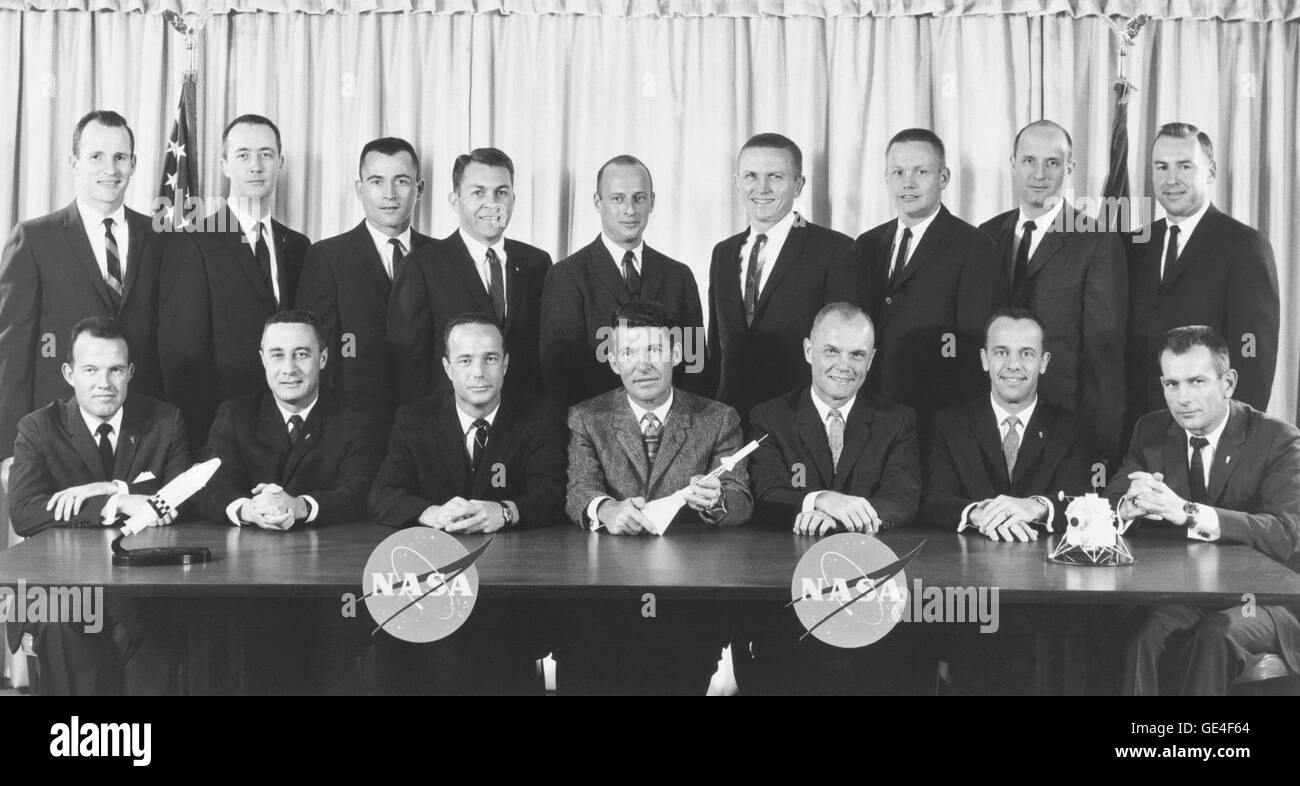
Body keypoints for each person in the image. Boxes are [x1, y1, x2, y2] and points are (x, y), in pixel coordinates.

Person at [368, 313, 565, 694]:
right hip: (433, 583)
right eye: (465, 360)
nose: (479, 372)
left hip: (509, 590)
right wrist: (432, 513)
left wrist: (505, 510)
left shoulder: (539, 416)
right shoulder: (414, 418)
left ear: (506, 364)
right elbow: (383, 494)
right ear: (447, 368)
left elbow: (552, 492)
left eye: (490, 359)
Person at [560, 300, 751, 693]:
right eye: (628, 352)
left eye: (655, 350)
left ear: (677, 354)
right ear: (613, 360)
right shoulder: (585, 417)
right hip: (605, 603)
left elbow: (741, 497)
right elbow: (579, 488)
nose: (642, 364)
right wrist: (607, 509)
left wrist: (715, 501)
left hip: (687, 608)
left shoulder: (718, 418)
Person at [1107, 325, 1300, 695]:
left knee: (1214, 636)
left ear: (1228, 383)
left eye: (1197, 382)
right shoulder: (1151, 430)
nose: (1182, 398)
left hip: (1267, 600)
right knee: (1143, 634)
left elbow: (1286, 535)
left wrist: (1190, 513)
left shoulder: (1278, 439)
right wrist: (1129, 504)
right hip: (1191, 595)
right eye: (1172, 384)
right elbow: (1113, 495)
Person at [7, 317, 187, 694]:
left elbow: (180, 501)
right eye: (90, 370)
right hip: (59, 583)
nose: (103, 383)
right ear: (69, 373)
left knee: (159, 627)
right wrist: (116, 501)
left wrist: (108, 487)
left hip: (142, 580)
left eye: (115, 370)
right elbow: (25, 513)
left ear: (130, 372)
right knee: (62, 624)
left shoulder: (165, 421)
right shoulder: (38, 428)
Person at [0, 110, 164, 485]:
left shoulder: (159, 237)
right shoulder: (35, 238)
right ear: (74, 163)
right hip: (56, 438)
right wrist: (9, 448)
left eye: (120, 157)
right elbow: (11, 351)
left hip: (142, 436)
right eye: (96, 157)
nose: (110, 168)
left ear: (134, 164)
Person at [159, 114, 312, 448]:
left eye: (266, 154)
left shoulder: (298, 246)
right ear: (225, 165)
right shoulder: (194, 241)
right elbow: (182, 360)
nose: (256, 166)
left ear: (280, 162)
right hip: (220, 432)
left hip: (289, 430)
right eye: (243, 155)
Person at [978, 120, 1127, 462]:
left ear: (1070, 168)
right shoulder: (986, 235)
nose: (1039, 174)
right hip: (992, 423)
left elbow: (1104, 359)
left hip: (1065, 427)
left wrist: (1100, 450)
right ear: (1012, 163)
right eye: (1029, 160)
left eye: (1053, 163)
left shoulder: (1097, 242)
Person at [704, 133, 866, 422]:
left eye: (775, 176)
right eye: (751, 176)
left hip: (800, 421)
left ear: (798, 185)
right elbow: (716, 349)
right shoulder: (723, 253)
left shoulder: (836, 251)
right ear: (737, 183)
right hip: (731, 421)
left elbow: (844, 349)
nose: (761, 188)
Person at [1126, 123, 1279, 425]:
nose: (1171, 179)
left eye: (1185, 166)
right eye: (1161, 167)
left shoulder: (1245, 245)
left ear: (1210, 172)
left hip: (1208, 430)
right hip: (1139, 432)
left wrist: (1232, 437)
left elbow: (1253, 359)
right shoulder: (1134, 245)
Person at [856, 128, 1006, 424]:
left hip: (937, 413)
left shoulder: (974, 246)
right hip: (869, 410)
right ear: (886, 178)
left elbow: (974, 347)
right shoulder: (866, 244)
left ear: (943, 177)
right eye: (897, 172)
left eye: (921, 171)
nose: (907, 183)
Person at [540, 155, 705, 406]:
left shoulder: (679, 276)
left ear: (652, 202)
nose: (630, 209)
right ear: (598, 201)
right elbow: (561, 379)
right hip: (596, 430)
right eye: (618, 198)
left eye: (639, 198)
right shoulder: (566, 276)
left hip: (673, 428)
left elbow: (695, 365)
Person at [389, 148, 551, 403]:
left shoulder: (537, 263)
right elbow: (409, 364)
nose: (492, 203)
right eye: (478, 192)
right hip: (447, 422)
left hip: (523, 424)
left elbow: (544, 357)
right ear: (455, 200)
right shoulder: (421, 267)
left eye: (501, 192)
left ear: (513, 199)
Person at [749, 302, 920, 536]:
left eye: (857, 355)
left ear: (871, 360)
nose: (844, 366)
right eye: (831, 351)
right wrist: (822, 499)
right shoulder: (770, 417)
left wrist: (840, 520)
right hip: (790, 558)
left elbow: (902, 499)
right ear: (809, 351)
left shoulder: (897, 420)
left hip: (870, 555)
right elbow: (766, 493)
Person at [197, 310, 377, 530]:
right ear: (263, 360)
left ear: (322, 358)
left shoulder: (355, 418)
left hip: (329, 550)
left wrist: (300, 506)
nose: (289, 369)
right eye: (277, 355)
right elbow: (208, 484)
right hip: (249, 552)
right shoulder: (236, 414)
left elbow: (359, 491)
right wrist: (250, 510)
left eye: (301, 354)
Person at [925, 307, 1093, 540]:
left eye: (1026, 354)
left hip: (1045, 565)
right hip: (967, 564)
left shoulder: (1072, 429)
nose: (1013, 364)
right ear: (985, 359)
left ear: (1043, 362)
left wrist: (1035, 507)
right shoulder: (949, 424)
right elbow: (934, 499)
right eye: (1002, 352)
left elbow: (1081, 500)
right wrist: (978, 514)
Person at [296, 137, 433, 421]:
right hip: (354, 423)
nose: (389, 194)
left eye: (402, 181)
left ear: (419, 189)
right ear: (359, 189)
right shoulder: (327, 257)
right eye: (376, 181)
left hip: (429, 421)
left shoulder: (442, 257)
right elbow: (321, 353)